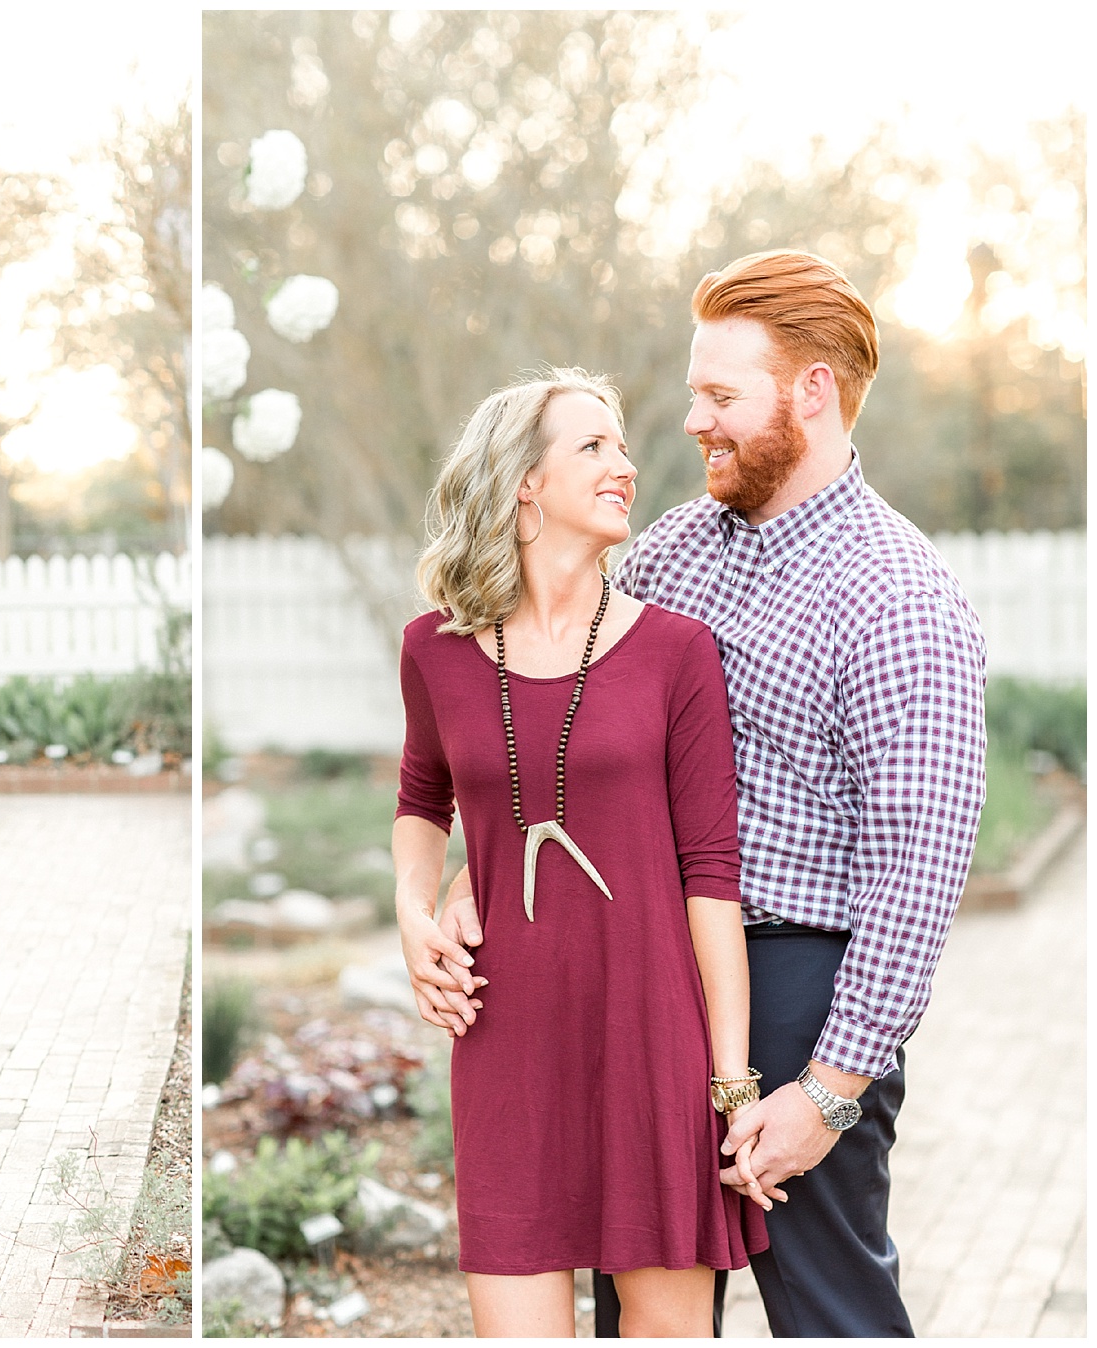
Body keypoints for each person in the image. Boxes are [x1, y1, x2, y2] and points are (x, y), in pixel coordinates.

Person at [434, 251, 987, 1336]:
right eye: (695, 394)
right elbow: (564, 735)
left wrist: (828, 1092)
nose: (693, 421)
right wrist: (469, 876)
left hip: (794, 997)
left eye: (721, 396)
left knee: (832, 1312)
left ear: (811, 392)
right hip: (641, 973)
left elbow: (917, 878)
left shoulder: (901, 596)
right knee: (643, 1310)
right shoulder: (671, 554)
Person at [394, 367, 769, 1338]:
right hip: (504, 1040)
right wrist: (413, 908)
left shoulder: (678, 652)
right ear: (525, 480)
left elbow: (711, 875)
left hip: (652, 1041)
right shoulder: (434, 650)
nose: (626, 465)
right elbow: (423, 798)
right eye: (594, 446)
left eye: (623, 446)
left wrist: (732, 1082)